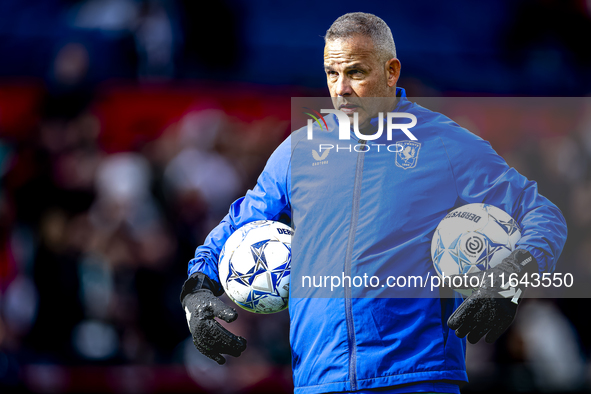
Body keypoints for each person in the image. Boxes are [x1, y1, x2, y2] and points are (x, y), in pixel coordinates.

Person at [179, 12, 567, 394]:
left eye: (356, 72)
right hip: (318, 378)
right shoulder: (298, 151)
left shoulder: (445, 144)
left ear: (391, 71)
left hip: (416, 378)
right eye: (332, 73)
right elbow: (237, 226)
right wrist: (197, 290)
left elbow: (542, 216)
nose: (341, 88)